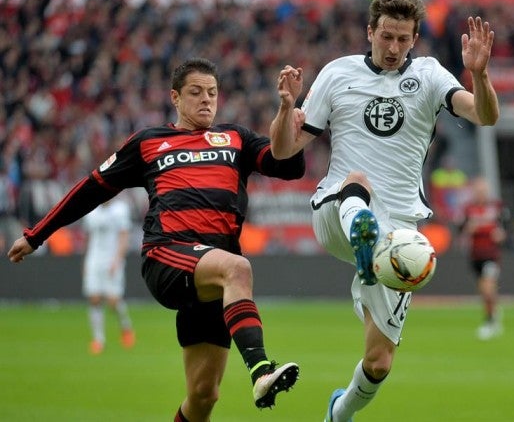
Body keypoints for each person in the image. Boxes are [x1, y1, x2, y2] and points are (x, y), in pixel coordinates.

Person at [8, 57, 305, 422]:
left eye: (212, 93)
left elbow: (286, 164)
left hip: (212, 273)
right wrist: (37, 235)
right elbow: (90, 189)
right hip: (167, 256)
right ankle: (261, 371)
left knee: (203, 396)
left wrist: (287, 107)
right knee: (238, 268)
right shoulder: (150, 142)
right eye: (196, 92)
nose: (206, 100)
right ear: (175, 98)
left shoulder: (235, 138)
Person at [269, 0, 499, 421]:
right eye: (386, 36)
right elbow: (283, 151)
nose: (393, 48)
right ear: (370, 32)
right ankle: (363, 237)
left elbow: (484, 116)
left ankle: (340, 412)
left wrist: (479, 75)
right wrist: (285, 110)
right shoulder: (338, 74)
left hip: (399, 235)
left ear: (414, 38)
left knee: (379, 362)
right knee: (357, 184)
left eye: (403, 39)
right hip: (337, 209)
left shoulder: (430, 74)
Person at [82, 197, 135, 354]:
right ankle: (99, 340)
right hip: (94, 259)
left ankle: (126, 327)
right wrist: (85, 261)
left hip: (112, 259)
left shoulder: (120, 209)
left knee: (113, 301)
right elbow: (88, 238)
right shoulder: (91, 211)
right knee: (94, 298)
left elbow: (124, 236)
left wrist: (118, 259)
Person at [459, 177, 508, 340]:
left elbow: (505, 228)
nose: (481, 193)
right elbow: (461, 229)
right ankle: (494, 311)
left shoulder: (497, 207)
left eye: (483, 190)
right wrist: (468, 229)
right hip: (475, 255)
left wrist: (501, 235)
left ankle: (490, 321)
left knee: (488, 288)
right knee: (484, 290)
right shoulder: (468, 209)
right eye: (478, 190)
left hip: (491, 255)